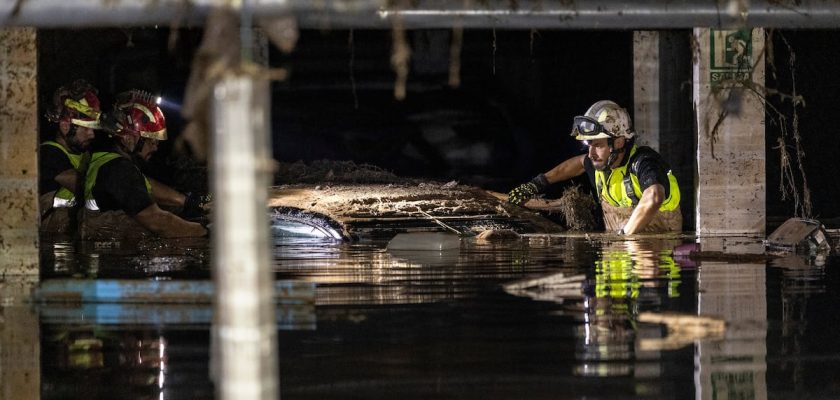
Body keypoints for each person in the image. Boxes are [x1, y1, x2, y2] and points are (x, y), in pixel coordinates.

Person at [508, 100, 682, 234]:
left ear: (619, 141)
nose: (591, 153)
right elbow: (576, 164)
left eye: (598, 145)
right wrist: (538, 183)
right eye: (588, 145)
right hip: (614, 263)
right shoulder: (600, 164)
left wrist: (625, 235)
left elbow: (653, 197)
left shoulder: (644, 162)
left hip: (653, 260)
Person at [79, 90, 210, 240]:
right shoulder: (119, 170)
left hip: (102, 247)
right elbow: (159, 222)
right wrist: (207, 231)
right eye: (151, 141)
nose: (154, 148)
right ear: (128, 138)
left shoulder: (107, 161)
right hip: (114, 254)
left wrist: (190, 202)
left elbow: (146, 185)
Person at [39, 79, 102, 235]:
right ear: (65, 126)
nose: (92, 134)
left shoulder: (85, 155)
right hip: (51, 243)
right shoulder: (48, 153)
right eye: (86, 128)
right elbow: (85, 186)